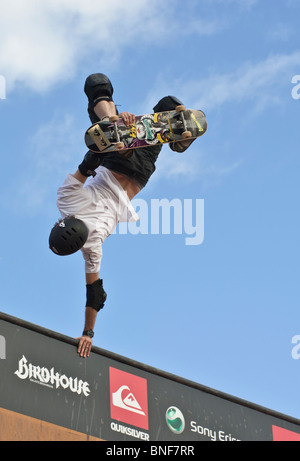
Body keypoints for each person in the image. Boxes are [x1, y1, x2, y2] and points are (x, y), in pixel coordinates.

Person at [49, 73, 194, 358]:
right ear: (60, 222)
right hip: (115, 159)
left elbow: (95, 295)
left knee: (166, 107)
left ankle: (117, 130)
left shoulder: (92, 246)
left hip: (138, 174)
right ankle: (112, 127)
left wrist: (88, 333)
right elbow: (87, 165)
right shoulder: (66, 202)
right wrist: (108, 140)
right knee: (97, 86)